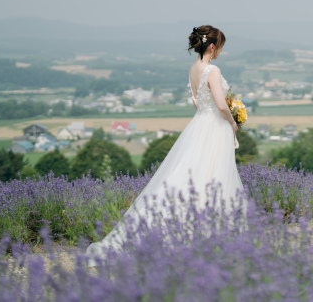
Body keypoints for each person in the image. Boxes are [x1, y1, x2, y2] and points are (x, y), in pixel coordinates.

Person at [86, 25, 246, 264]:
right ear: (212, 46)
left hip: (199, 125)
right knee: (213, 175)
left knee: (190, 173)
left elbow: (197, 103)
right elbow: (221, 106)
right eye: (220, 46)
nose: (220, 51)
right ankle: (214, 233)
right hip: (214, 128)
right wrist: (233, 122)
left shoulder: (193, 69)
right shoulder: (213, 69)